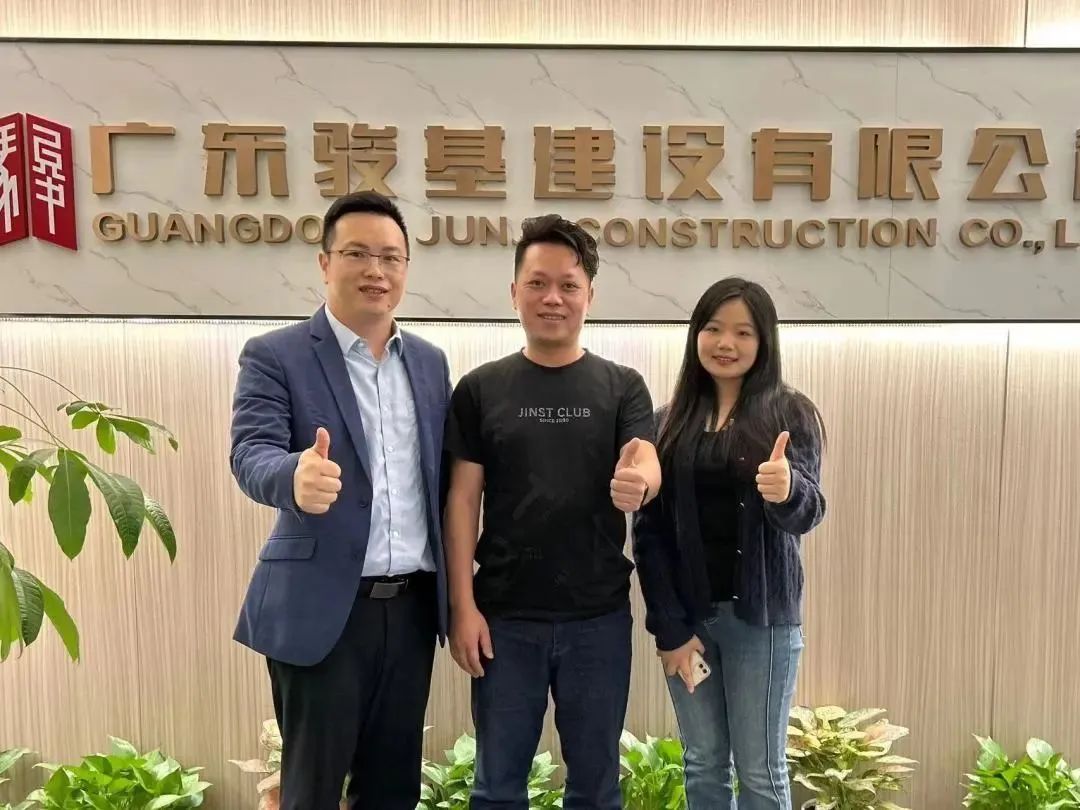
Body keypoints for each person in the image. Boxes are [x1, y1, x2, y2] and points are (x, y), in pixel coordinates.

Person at [229, 191, 452, 810]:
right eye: (357, 253)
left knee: (393, 789)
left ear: (405, 268)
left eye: (390, 257)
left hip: (410, 610)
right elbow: (250, 453)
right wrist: (293, 476)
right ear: (325, 262)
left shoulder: (430, 364)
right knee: (312, 790)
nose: (375, 271)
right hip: (322, 607)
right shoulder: (276, 355)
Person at [442, 214, 662, 809]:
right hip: (503, 619)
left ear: (590, 294)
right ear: (514, 291)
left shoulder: (622, 385)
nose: (553, 298)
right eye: (538, 283)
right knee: (496, 788)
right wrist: (462, 606)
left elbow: (645, 459)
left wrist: (640, 482)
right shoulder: (480, 389)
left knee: (596, 789)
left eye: (568, 285)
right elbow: (461, 501)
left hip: (598, 619)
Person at [631, 277, 827, 810]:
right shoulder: (666, 423)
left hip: (761, 625)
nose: (726, 343)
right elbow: (649, 535)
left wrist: (787, 490)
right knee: (702, 763)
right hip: (690, 624)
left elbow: (810, 510)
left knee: (761, 770)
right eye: (714, 328)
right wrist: (670, 629)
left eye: (743, 332)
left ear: (764, 342)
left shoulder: (790, 415)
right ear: (696, 334)